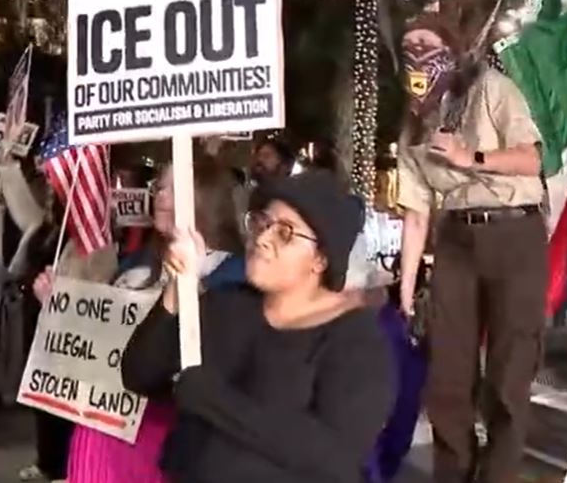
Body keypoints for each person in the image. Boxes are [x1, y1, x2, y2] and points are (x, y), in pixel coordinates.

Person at [122, 170, 394, 483]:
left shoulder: (355, 343)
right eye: (262, 223)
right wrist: (176, 288)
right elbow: (139, 375)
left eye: (286, 233)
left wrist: (213, 399)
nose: (263, 238)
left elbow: (336, 458)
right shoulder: (224, 306)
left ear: (320, 259)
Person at [396, 7, 549, 483]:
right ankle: (453, 473)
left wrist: (471, 156)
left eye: (428, 46)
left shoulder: (492, 90)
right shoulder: (415, 126)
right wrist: (406, 286)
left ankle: (498, 474)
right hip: (456, 239)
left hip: (514, 232)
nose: (418, 57)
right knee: (447, 376)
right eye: (409, 49)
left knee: (507, 374)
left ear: (451, 50)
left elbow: (531, 160)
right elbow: (416, 212)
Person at [46, 154, 245, 483]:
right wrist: (62, 309)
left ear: (204, 198)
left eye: (169, 188)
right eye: (157, 187)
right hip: (103, 430)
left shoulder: (232, 276)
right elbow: (101, 340)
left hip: (162, 434)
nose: (158, 197)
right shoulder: (135, 263)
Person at [0, 141, 118, 483]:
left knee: (65, 408)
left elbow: (97, 299)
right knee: (44, 402)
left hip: (72, 341)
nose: (50, 185)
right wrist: (7, 167)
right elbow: (23, 210)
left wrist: (61, 300)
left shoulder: (96, 244)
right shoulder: (50, 228)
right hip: (41, 326)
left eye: (57, 181)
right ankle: (49, 462)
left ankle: (67, 467)